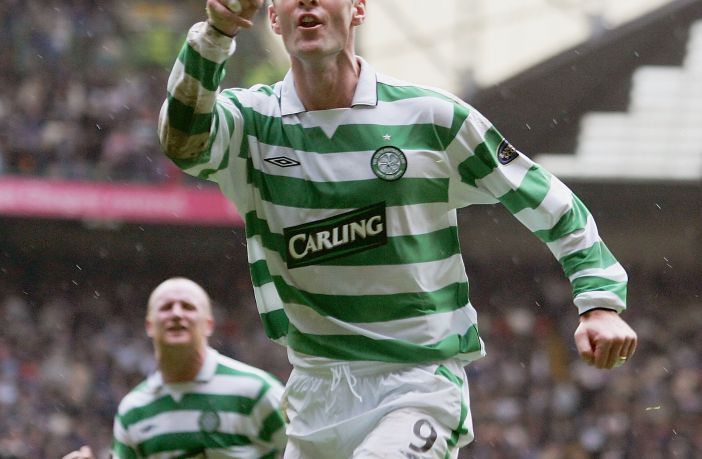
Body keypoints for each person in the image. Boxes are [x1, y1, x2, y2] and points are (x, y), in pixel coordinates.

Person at [157, 1, 638, 457]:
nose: (307, 1)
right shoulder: (250, 124)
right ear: (275, 19)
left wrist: (599, 301)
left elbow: (545, 198)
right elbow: (183, 143)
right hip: (314, 391)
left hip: (417, 382)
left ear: (358, 9)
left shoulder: (430, 116)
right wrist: (216, 35)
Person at [62, 277, 287, 459]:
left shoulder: (257, 391)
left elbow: (305, 447)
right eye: (166, 307)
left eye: (188, 307)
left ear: (208, 324)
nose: (177, 314)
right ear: (149, 325)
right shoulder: (134, 410)